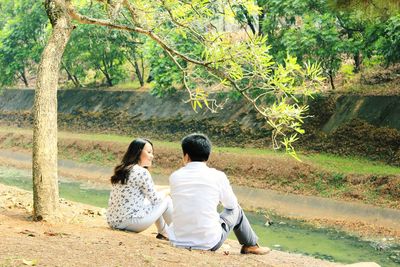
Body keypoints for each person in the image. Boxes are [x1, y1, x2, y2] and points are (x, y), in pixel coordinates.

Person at [167, 133, 270, 254]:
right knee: (237, 210)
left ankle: (251, 244)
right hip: (208, 243)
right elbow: (231, 205)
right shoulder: (217, 176)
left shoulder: (174, 176)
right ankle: (251, 245)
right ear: (207, 155)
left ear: (186, 156)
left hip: (177, 240)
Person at [106, 138, 172, 240]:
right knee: (166, 201)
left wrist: (164, 189)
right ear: (138, 152)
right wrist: (168, 191)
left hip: (113, 221)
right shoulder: (142, 172)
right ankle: (181, 234)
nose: (152, 156)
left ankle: (164, 232)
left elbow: (150, 191)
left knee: (151, 199)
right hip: (131, 222)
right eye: (149, 152)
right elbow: (155, 200)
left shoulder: (123, 169)